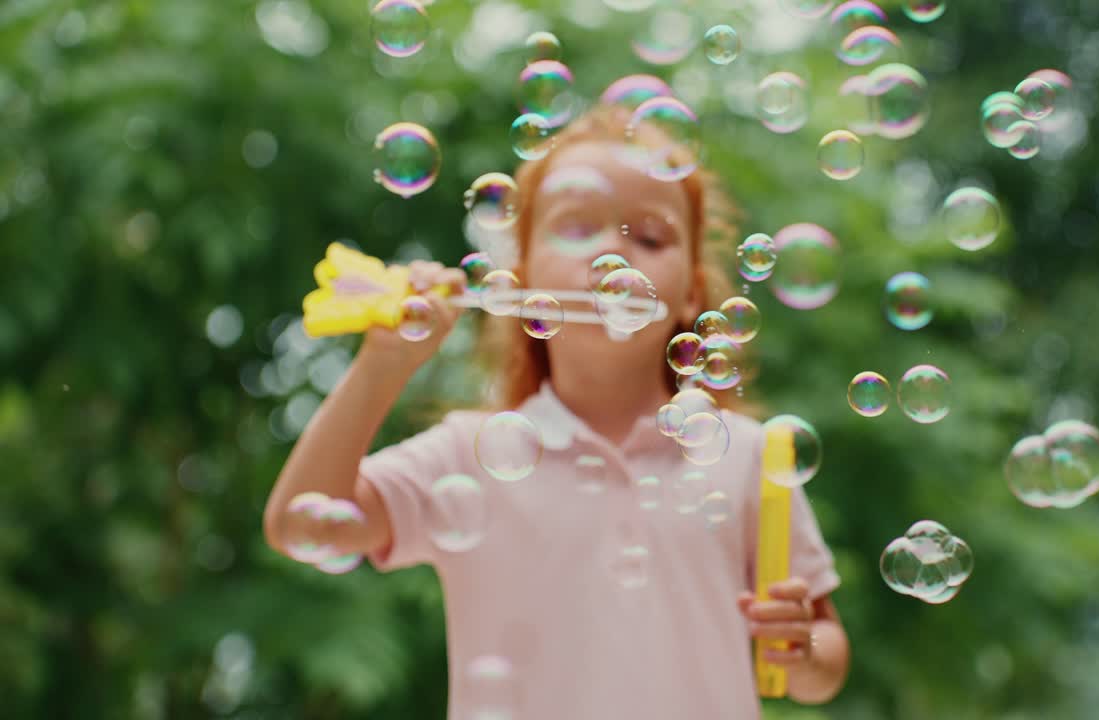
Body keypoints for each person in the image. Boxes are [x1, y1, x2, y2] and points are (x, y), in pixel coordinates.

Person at [263, 103, 849, 718]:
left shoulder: (745, 453)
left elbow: (824, 662)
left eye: (649, 237)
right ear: (521, 284)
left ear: (691, 296)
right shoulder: (470, 453)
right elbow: (301, 525)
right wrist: (382, 364)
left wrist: (800, 647)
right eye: (577, 229)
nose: (612, 261)